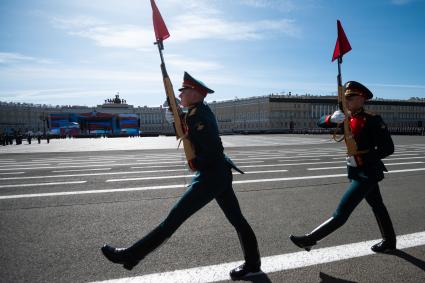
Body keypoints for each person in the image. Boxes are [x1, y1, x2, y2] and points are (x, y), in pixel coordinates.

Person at [101, 72, 261, 279]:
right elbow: (192, 130)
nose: (181, 95)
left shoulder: (198, 115)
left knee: (173, 220)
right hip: (219, 173)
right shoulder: (198, 111)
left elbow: (213, 149)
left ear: (194, 94)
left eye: (184, 91)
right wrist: (178, 116)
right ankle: (253, 263)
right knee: (238, 220)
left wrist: (196, 162)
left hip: (211, 176)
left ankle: (131, 255)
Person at [289, 81, 397, 253]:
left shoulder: (373, 119)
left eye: (350, 97)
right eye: (345, 98)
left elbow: (388, 148)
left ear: (361, 98)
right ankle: (389, 242)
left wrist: (362, 157)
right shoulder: (346, 118)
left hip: (367, 173)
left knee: (341, 213)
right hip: (356, 171)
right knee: (378, 206)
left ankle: (310, 239)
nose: (347, 101)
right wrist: (330, 118)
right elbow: (319, 123)